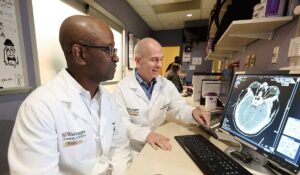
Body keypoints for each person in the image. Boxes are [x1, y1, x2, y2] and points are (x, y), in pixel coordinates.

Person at [8, 15, 131, 175]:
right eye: (108, 49)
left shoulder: (108, 99)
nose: (116, 57)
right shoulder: (39, 107)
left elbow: (120, 148)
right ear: (79, 54)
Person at [113, 37, 210, 156]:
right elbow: (121, 123)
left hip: (159, 143)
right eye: (154, 59)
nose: (159, 65)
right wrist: (146, 134)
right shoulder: (122, 89)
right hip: (133, 147)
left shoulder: (166, 85)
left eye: (161, 59)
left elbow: (179, 107)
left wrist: (193, 112)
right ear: (138, 61)